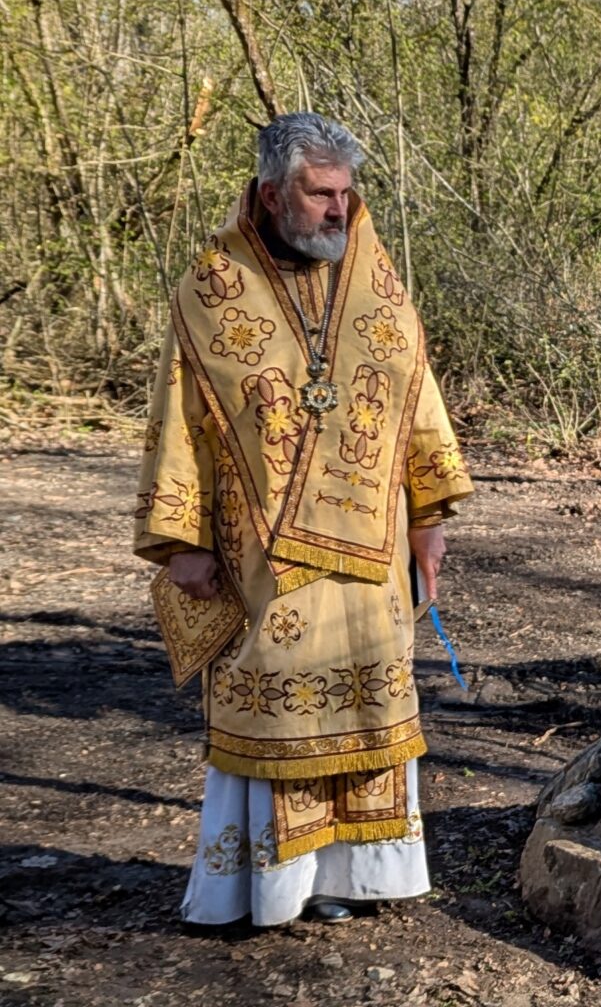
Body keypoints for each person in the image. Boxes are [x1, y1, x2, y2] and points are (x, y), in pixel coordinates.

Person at [135, 112, 473, 927]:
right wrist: (181, 541)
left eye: (345, 192)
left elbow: (415, 394)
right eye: (320, 193)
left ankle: (358, 879)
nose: (338, 208)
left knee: (368, 700)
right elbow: (180, 417)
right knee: (276, 706)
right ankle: (274, 888)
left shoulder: (375, 278)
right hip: (262, 552)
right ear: (270, 194)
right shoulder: (212, 286)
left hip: (373, 548)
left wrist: (430, 511)